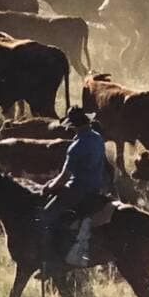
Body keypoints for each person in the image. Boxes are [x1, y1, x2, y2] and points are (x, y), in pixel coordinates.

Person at [38, 107, 109, 274]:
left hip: (78, 189)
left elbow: (65, 176)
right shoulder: (98, 138)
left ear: (73, 126)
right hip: (95, 188)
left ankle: (51, 261)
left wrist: (49, 186)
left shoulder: (75, 146)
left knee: (45, 217)